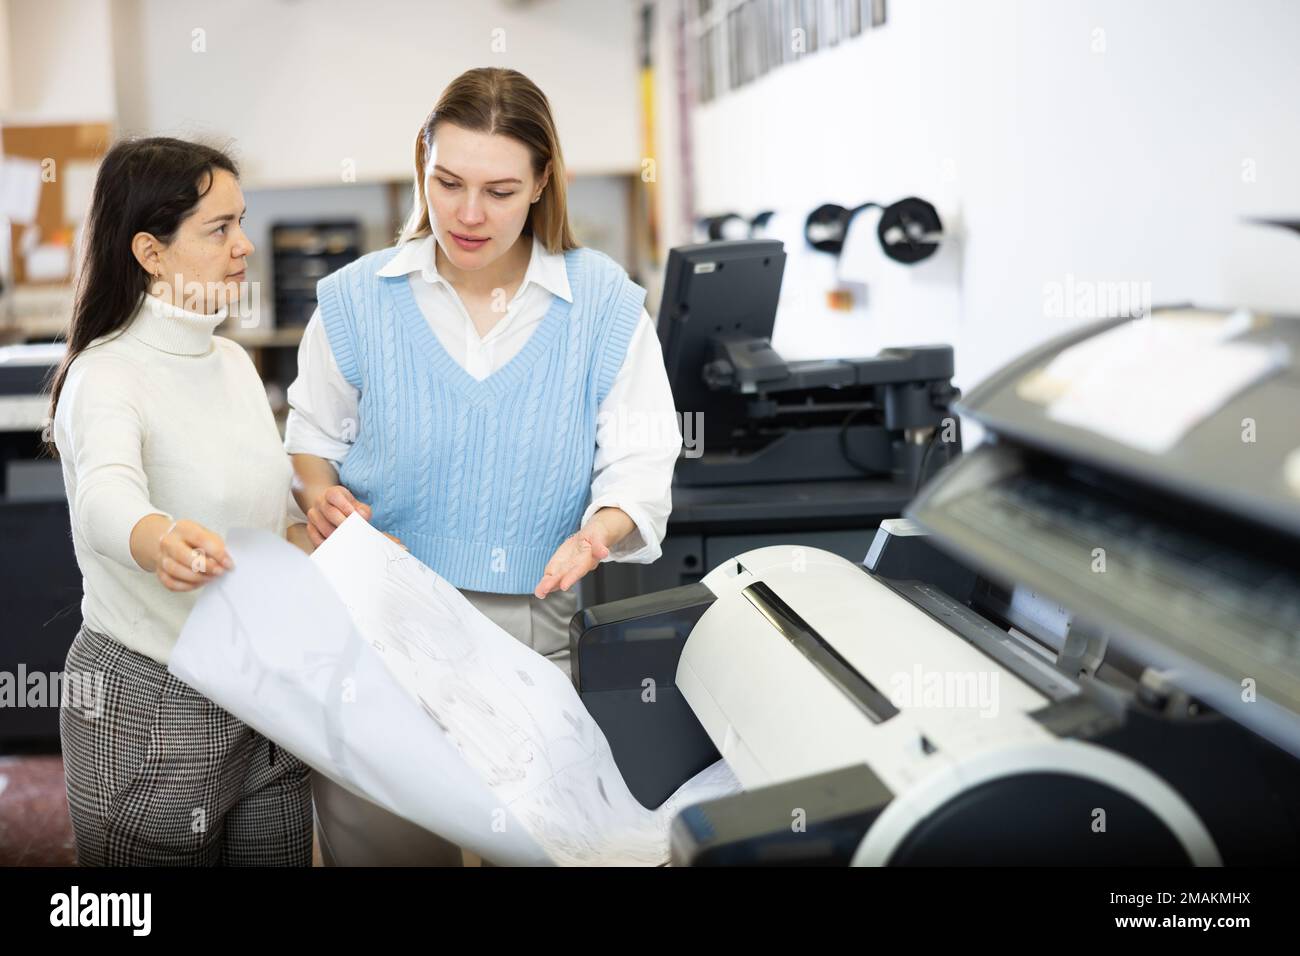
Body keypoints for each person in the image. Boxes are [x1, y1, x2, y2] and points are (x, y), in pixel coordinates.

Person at [285, 67, 681, 865]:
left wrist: (597, 534)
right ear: (421, 164)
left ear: (543, 183)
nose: (468, 215)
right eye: (448, 182)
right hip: (375, 632)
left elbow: (642, 460)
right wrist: (322, 499)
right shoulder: (355, 301)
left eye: (500, 190)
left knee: (543, 850)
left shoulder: (603, 305)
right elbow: (312, 441)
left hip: (527, 640)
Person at [50, 137, 314, 866]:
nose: (245, 247)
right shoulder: (106, 377)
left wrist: (313, 531)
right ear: (150, 251)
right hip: (153, 703)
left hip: (263, 694)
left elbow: (260, 520)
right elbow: (105, 497)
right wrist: (154, 535)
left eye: (242, 222)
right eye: (219, 229)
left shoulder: (232, 362)